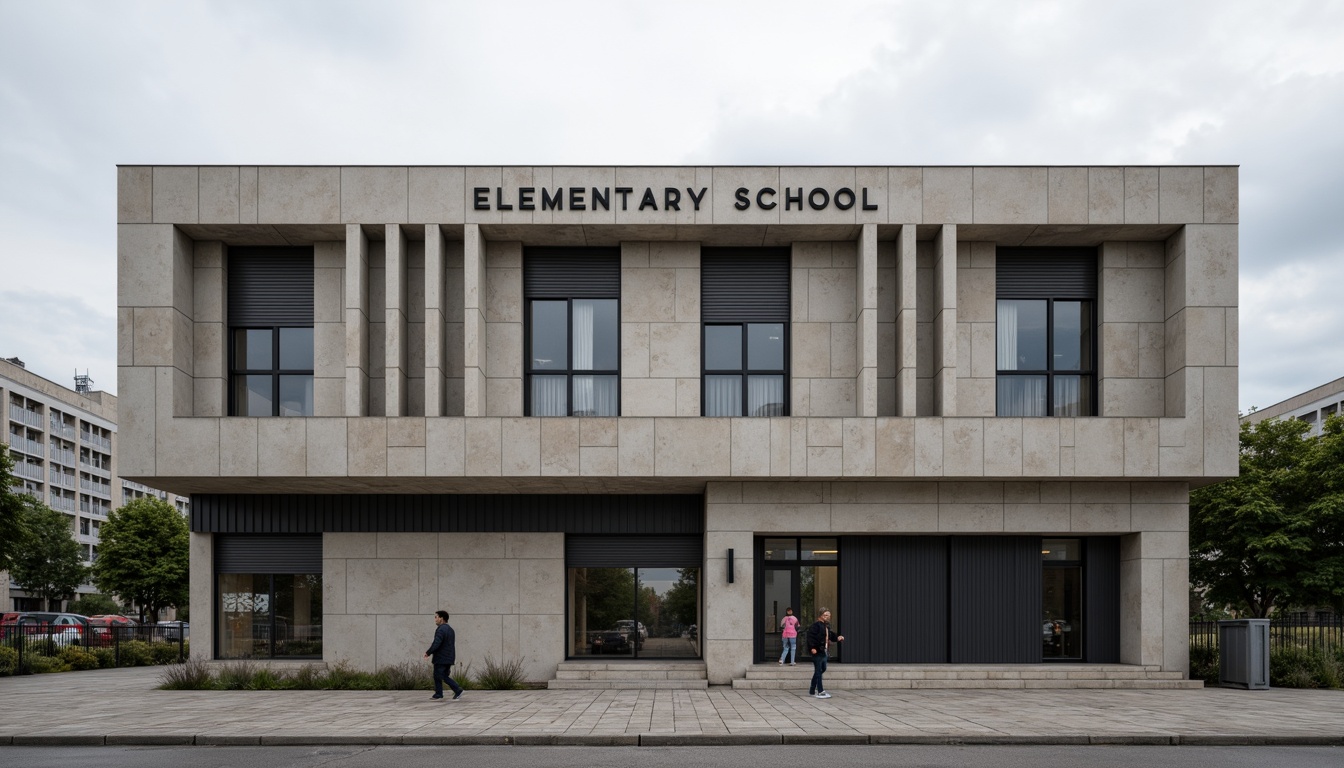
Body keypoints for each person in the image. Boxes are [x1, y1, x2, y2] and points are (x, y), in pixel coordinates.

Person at [423, 609, 464, 700]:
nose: (435, 619)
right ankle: (446, 692)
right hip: (449, 657)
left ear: (441, 618)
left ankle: (450, 691)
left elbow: (436, 643)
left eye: (436, 617)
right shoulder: (450, 630)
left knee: (438, 675)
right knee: (443, 676)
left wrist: (428, 652)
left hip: (441, 658)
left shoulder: (441, 630)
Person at [805, 607, 842, 698]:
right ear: (820, 615)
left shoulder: (826, 626)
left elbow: (831, 636)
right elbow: (810, 637)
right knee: (818, 670)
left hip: (823, 651)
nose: (827, 617)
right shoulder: (816, 626)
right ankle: (820, 691)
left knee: (822, 669)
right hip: (817, 651)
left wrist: (838, 638)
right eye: (825, 615)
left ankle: (812, 689)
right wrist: (812, 648)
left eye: (829, 615)